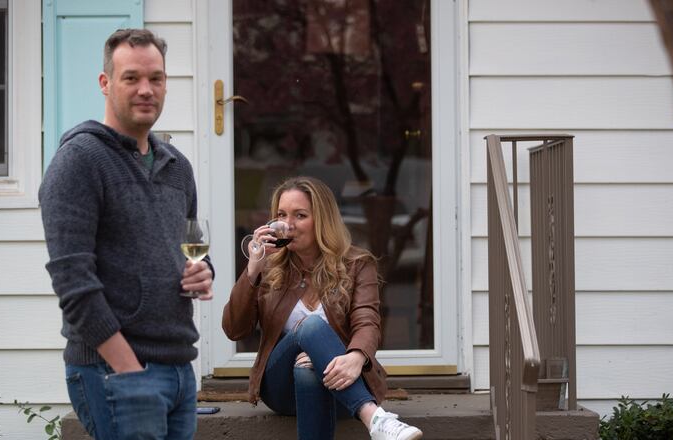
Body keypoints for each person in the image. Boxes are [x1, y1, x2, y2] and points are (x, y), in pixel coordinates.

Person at [39, 28, 213, 439]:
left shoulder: (177, 167)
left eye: (156, 78)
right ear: (106, 83)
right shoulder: (79, 160)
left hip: (178, 369)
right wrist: (126, 367)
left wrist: (202, 272)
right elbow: (72, 280)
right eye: (131, 77)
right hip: (116, 370)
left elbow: (188, 254)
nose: (146, 90)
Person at [222, 176, 422, 440]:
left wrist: (356, 358)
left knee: (308, 367)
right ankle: (373, 418)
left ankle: (372, 416)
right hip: (280, 388)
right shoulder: (269, 267)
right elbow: (235, 329)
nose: (288, 224)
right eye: (281, 214)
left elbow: (367, 321)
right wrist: (253, 269)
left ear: (322, 220)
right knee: (312, 326)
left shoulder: (357, 264)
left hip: (342, 382)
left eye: (300, 215)